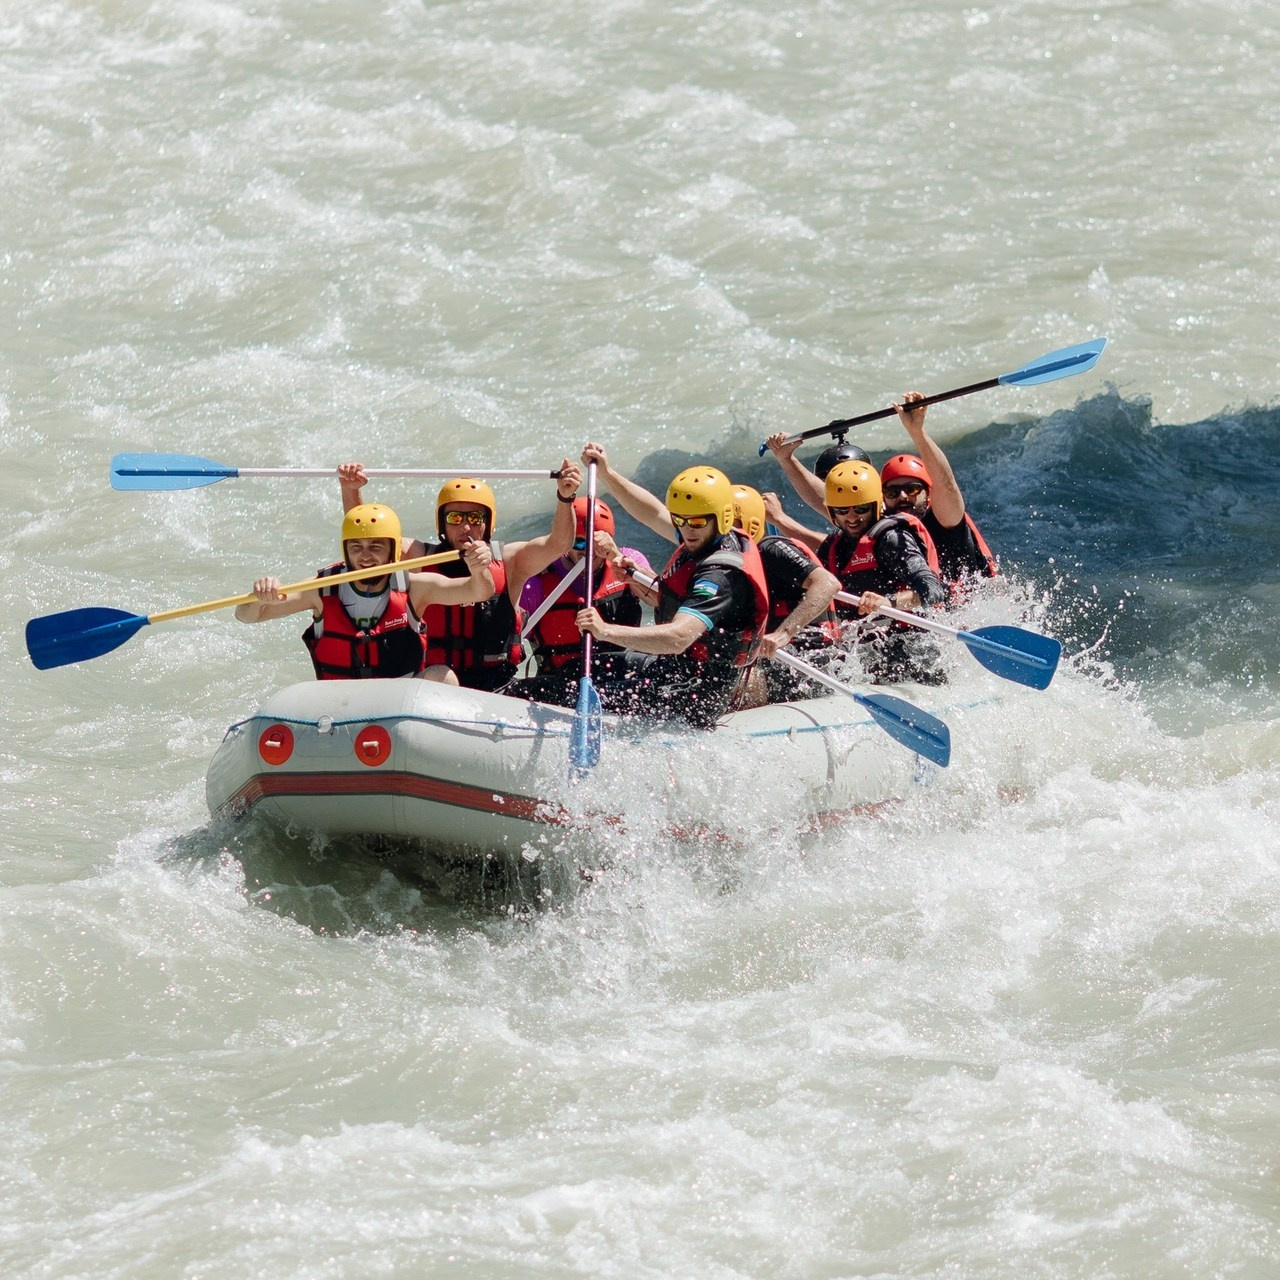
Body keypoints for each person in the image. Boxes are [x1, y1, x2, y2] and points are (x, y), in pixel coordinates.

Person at [336, 460, 582, 691]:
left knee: (557, 688)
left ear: (488, 523)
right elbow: (370, 538)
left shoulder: (509, 560)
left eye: (475, 518)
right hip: (436, 684)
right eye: (455, 518)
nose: (466, 527)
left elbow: (558, 545)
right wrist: (351, 490)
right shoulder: (419, 557)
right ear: (442, 524)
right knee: (442, 676)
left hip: (498, 687)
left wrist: (565, 497)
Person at [575, 456, 769, 728]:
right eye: (680, 520)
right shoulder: (705, 536)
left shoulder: (721, 576)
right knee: (574, 670)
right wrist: (607, 473)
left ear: (722, 518)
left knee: (568, 692)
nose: (686, 530)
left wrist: (604, 631)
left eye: (696, 523)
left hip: (698, 693)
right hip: (674, 667)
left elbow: (679, 637)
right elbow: (652, 512)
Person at [235, 503, 495, 681]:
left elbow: (478, 591)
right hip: (342, 703)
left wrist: (478, 568)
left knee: (442, 676)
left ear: (393, 551)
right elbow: (247, 616)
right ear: (346, 550)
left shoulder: (415, 587)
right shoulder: (321, 590)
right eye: (356, 546)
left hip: (400, 699)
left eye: (375, 547)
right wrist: (260, 597)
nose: (365, 556)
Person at [816, 460, 948, 684]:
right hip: (863, 652)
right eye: (842, 510)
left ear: (876, 505)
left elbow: (933, 590)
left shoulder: (892, 539)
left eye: (861, 509)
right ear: (831, 512)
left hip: (913, 648)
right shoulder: (832, 547)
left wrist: (888, 603)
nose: (851, 517)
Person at [514, 497, 652, 707]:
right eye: (578, 542)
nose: (586, 551)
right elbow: (508, 637)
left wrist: (615, 557)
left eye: (595, 544)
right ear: (565, 543)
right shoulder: (536, 584)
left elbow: (662, 601)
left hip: (622, 676)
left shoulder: (629, 561)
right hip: (562, 684)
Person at [730, 484, 840, 701]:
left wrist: (784, 634)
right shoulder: (729, 563)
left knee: (743, 686)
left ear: (750, 526)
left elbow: (828, 584)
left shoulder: (772, 548)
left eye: (727, 524)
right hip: (775, 658)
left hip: (809, 661)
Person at [879, 391, 997, 584]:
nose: (902, 496)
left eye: (912, 489)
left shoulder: (945, 520)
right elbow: (835, 506)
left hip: (969, 608)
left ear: (927, 494)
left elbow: (946, 483)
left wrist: (917, 432)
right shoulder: (883, 526)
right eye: (892, 492)